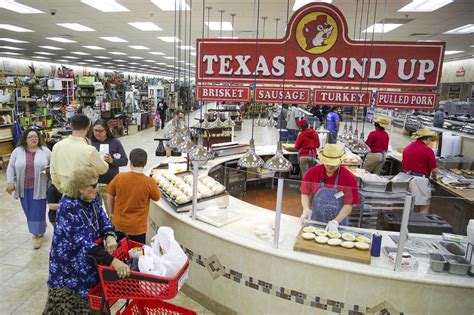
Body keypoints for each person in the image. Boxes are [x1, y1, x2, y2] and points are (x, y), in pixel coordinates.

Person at [44, 167, 130, 314]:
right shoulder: (67, 207)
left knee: (94, 300)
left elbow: (103, 219)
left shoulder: (93, 198)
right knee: (70, 305)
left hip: (91, 260)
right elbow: (81, 243)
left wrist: (110, 235)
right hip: (70, 266)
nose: (97, 188)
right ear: (80, 188)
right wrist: (113, 261)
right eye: (93, 186)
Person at [6, 128, 51, 249]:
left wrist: (48, 172)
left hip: (40, 187)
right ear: (25, 139)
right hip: (23, 188)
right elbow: (10, 168)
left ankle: (35, 235)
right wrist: (10, 181)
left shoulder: (45, 151)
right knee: (28, 211)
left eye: (35, 136)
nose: (33, 139)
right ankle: (40, 228)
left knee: (37, 211)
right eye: (30, 137)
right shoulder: (17, 151)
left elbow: (53, 166)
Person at [299, 144, 359, 232]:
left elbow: (348, 204)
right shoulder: (312, 172)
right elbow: (305, 193)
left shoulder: (349, 178)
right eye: (327, 162)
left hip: (339, 223)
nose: (330, 166)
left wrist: (335, 222)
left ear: (341, 160)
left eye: (333, 163)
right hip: (316, 220)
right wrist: (306, 209)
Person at [107, 148, 161, 244]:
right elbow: (157, 198)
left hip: (119, 224)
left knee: (121, 251)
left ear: (130, 162)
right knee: (137, 253)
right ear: (145, 163)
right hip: (137, 227)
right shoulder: (149, 182)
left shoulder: (120, 177)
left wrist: (111, 212)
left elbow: (110, 194)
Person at [50, 114, 109, 193]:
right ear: (88, 127)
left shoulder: (57, 146)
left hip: (66, 194)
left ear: (71, 126)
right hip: (86, 196)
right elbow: (103, 169)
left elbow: (53, 174)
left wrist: (63, 190)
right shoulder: (89, 150)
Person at [91, 119, 128, 215]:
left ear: (106, 130)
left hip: (111, 184)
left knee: (112, 214)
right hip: (94, 185)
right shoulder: (90, 143)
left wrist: (112, 161)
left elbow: (125, 161)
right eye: (95, 130)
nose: (97, 133)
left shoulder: (115, 142)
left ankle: (113, 230)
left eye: (100, 131)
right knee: (95, 214)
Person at [402, 127, 439, 214]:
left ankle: (406, 224)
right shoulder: (428, 150)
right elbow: (435, 170)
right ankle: (421, 225)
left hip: (405, 177)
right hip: (418, 180)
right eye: (431, 140)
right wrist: (435, 177)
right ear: (428, 139)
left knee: (408, 204)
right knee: (424, 205)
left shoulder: (408, 147)